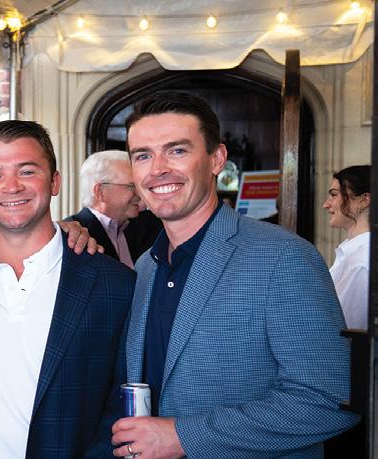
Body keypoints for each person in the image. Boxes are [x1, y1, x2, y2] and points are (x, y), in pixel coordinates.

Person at [110, 91, 359, 458]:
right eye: (143, 156)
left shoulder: (282, 257)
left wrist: (183, 436)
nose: (158, 168)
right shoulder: (147, 265)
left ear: (217, 159)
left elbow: (330, 399)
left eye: (176, 151)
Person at [0, 120, 135, 458]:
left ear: (54, 182)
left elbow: (123, 402)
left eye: (27, 171)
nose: (11, 186)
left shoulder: (116, 285)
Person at [66, 150, 163, 268]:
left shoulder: (145, 226)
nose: (139, 193)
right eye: (131, 186)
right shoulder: (74, 235)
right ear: (100, 192)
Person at [323, 164, 370, 330]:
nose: (326, 204)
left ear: (364, 200)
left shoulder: (361, 261)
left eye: (334, 195)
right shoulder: (352, 252)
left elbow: (344, 329)